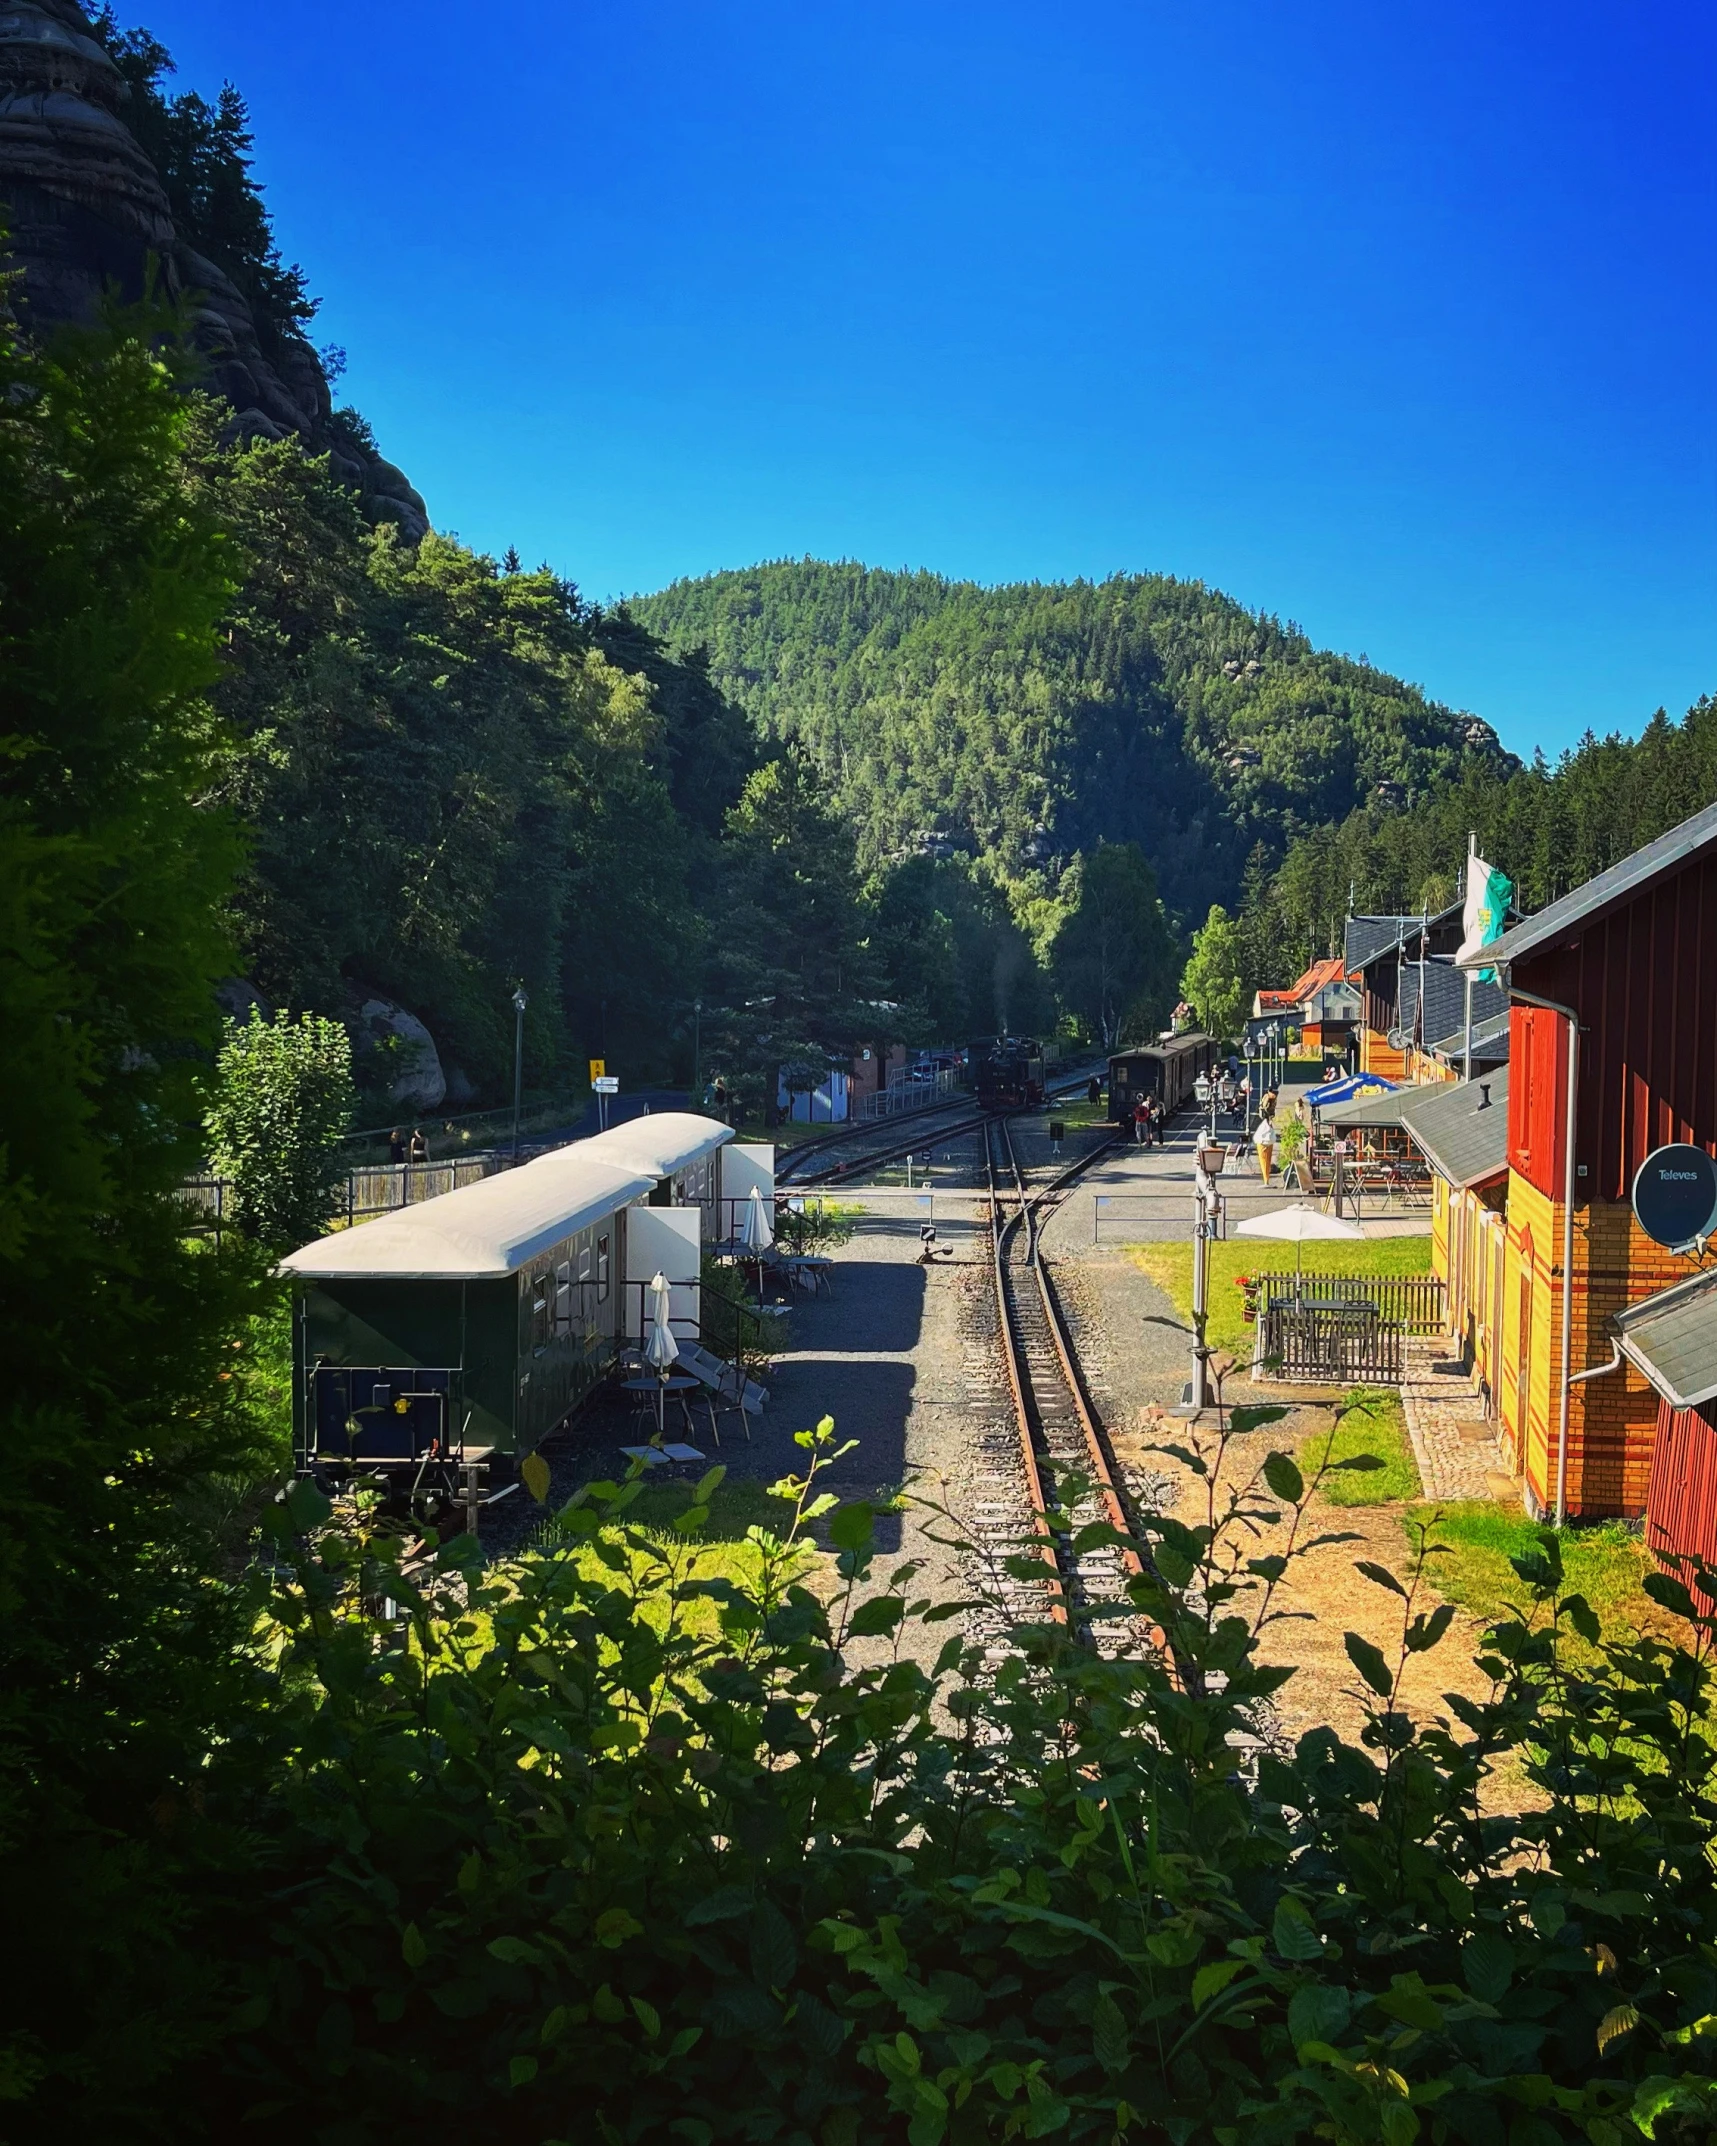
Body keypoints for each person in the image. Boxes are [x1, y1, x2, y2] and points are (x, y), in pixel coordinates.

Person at [1253, 1106, 1278, 1185]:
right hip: (1267, 1142)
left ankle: (1266, 1180)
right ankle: (1266, 1180)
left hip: (1262, 1143)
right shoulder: (1266, 1125)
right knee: (1266, 1162)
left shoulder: (1263, 1125)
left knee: (1265, 1162)